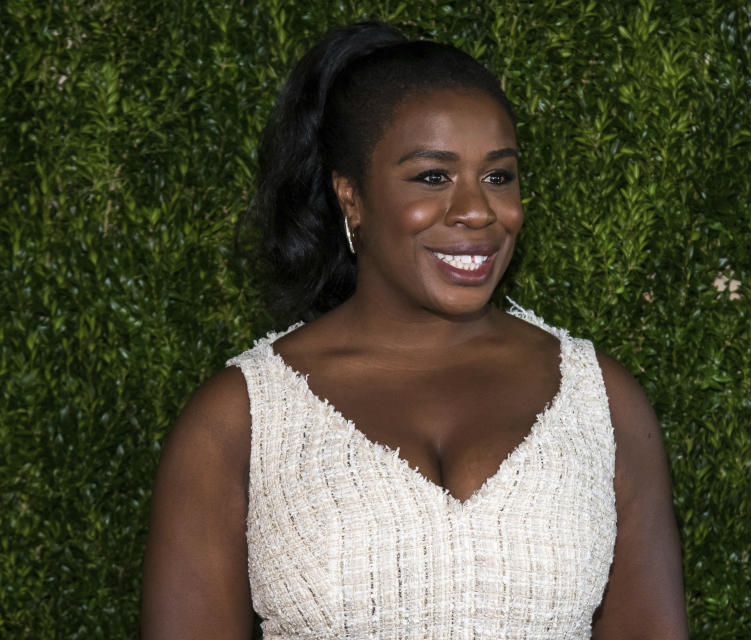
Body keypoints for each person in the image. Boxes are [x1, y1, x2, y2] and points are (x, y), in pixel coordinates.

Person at [141, 21, 687, 639]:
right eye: (433, 177)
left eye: (498, 176)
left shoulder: (599, 401)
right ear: (351, 196)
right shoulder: (239, 421)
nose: (478, 209)